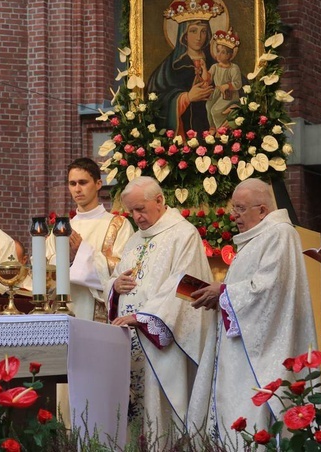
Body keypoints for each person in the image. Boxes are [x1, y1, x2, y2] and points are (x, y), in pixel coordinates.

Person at [188, 178, 317, 439]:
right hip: (241, 344)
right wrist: (220, 294)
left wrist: (223, 292)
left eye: (241, 209)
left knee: (250, 417)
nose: (234, 216)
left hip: (261, 350)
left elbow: (269, 288)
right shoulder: (257, 238)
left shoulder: (280, 234)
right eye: (234, 208)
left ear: (262, 210)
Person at [107, 176, 214, 442]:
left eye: (140, 209)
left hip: (162, 340)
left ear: (159, 200)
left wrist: (143, 317)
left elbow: (188, 287)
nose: (136, 217)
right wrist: (114, 285)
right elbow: (118, 276)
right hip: (130, 341)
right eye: (131, 211)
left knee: (160, 416)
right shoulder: (133, 240)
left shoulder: (183, 234)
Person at [46, 158, 134, 321]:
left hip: (100, 315)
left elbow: (124, 268)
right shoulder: (61, 229)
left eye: (83, 182)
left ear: (98, 184)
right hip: (62, 314)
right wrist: (69, 259)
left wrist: (83, 251)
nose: (77, 189)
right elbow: (44, 272)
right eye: (72, 184)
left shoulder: (118, 225)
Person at [147, 0, 223, 135]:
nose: (199, 37)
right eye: (193, 31)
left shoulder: (216, 63)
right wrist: (186, 98)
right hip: (183, 136)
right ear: (184, 35)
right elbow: (155, 100)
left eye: (203, 31)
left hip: (214, 133)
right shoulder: (170, 66)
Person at [205, 29, 242, 130]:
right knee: (209, 106)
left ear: (230, 55)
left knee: (216, 110)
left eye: (223, 52)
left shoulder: (234, 68)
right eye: (218, 51)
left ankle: (220, 129)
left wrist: (227, 86)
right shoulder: (215, 67)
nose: (219, 54)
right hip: (217, 92)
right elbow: (208, 79)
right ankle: (212, 127)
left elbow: (238, 84)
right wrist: (204, 68)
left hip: (229, 95)